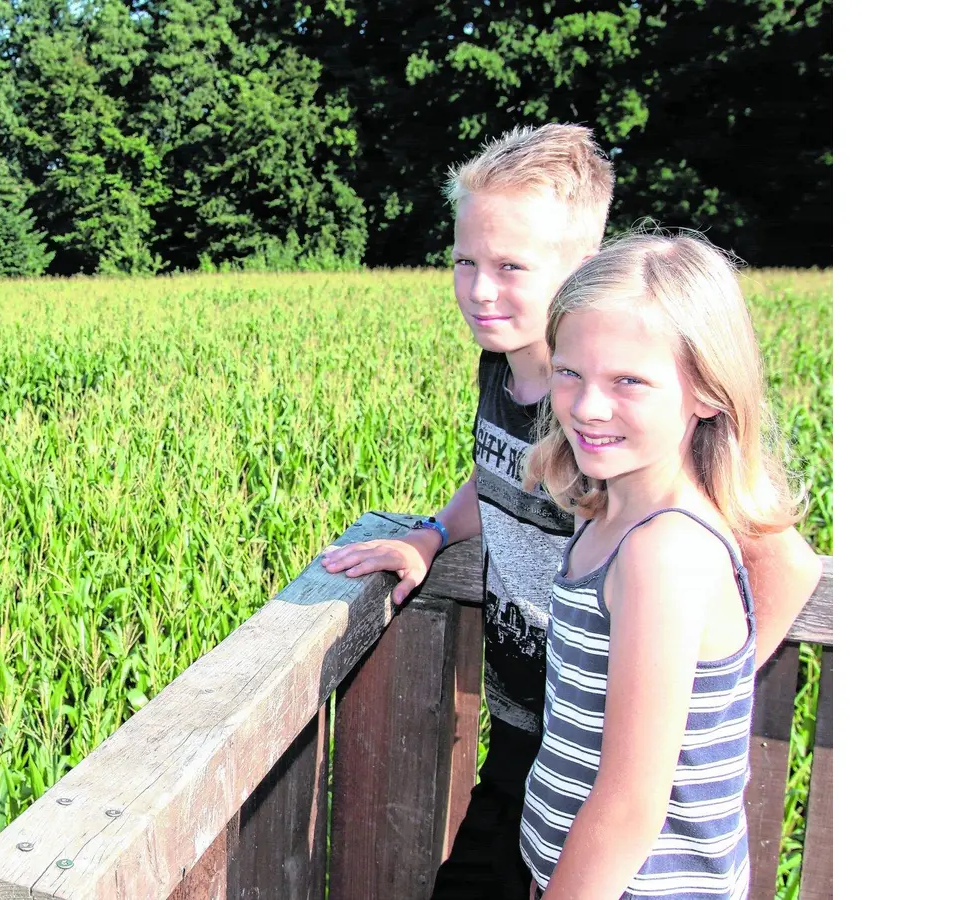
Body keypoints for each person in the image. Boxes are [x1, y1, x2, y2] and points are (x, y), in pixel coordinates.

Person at [318, 124, 821, 900]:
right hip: (537, 738)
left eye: (511, 266)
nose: (481, 289)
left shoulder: (637, 469)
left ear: (582, 272)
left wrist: (678, 696)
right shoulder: (539, 404)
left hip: (601, 771)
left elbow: (783, 560)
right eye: (465, 263)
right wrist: (434, 532)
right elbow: (500, 473)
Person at [517, 231, 799, 899]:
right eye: (568, 372)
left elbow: (629, 809)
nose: (587, 407)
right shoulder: (609, 515)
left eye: (628, 381)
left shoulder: (663, 552)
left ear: (706, 391)